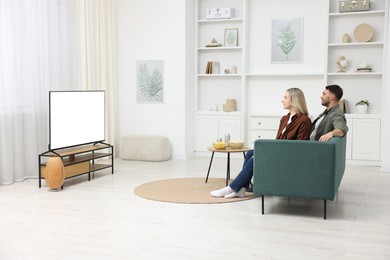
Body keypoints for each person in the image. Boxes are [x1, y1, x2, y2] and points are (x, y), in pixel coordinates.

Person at [211, 88, 312, 198]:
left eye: (285, 97)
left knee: (255, 158)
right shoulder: (285, 118)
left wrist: (270, 153)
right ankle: (242, 189)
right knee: (250, 153)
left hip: (288, 157)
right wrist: (269, 151)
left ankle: (231, 188)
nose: (282, 100)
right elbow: (279, 141)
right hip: (280, 151)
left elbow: (300, 147)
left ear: (294, 100)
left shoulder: (304, 121)